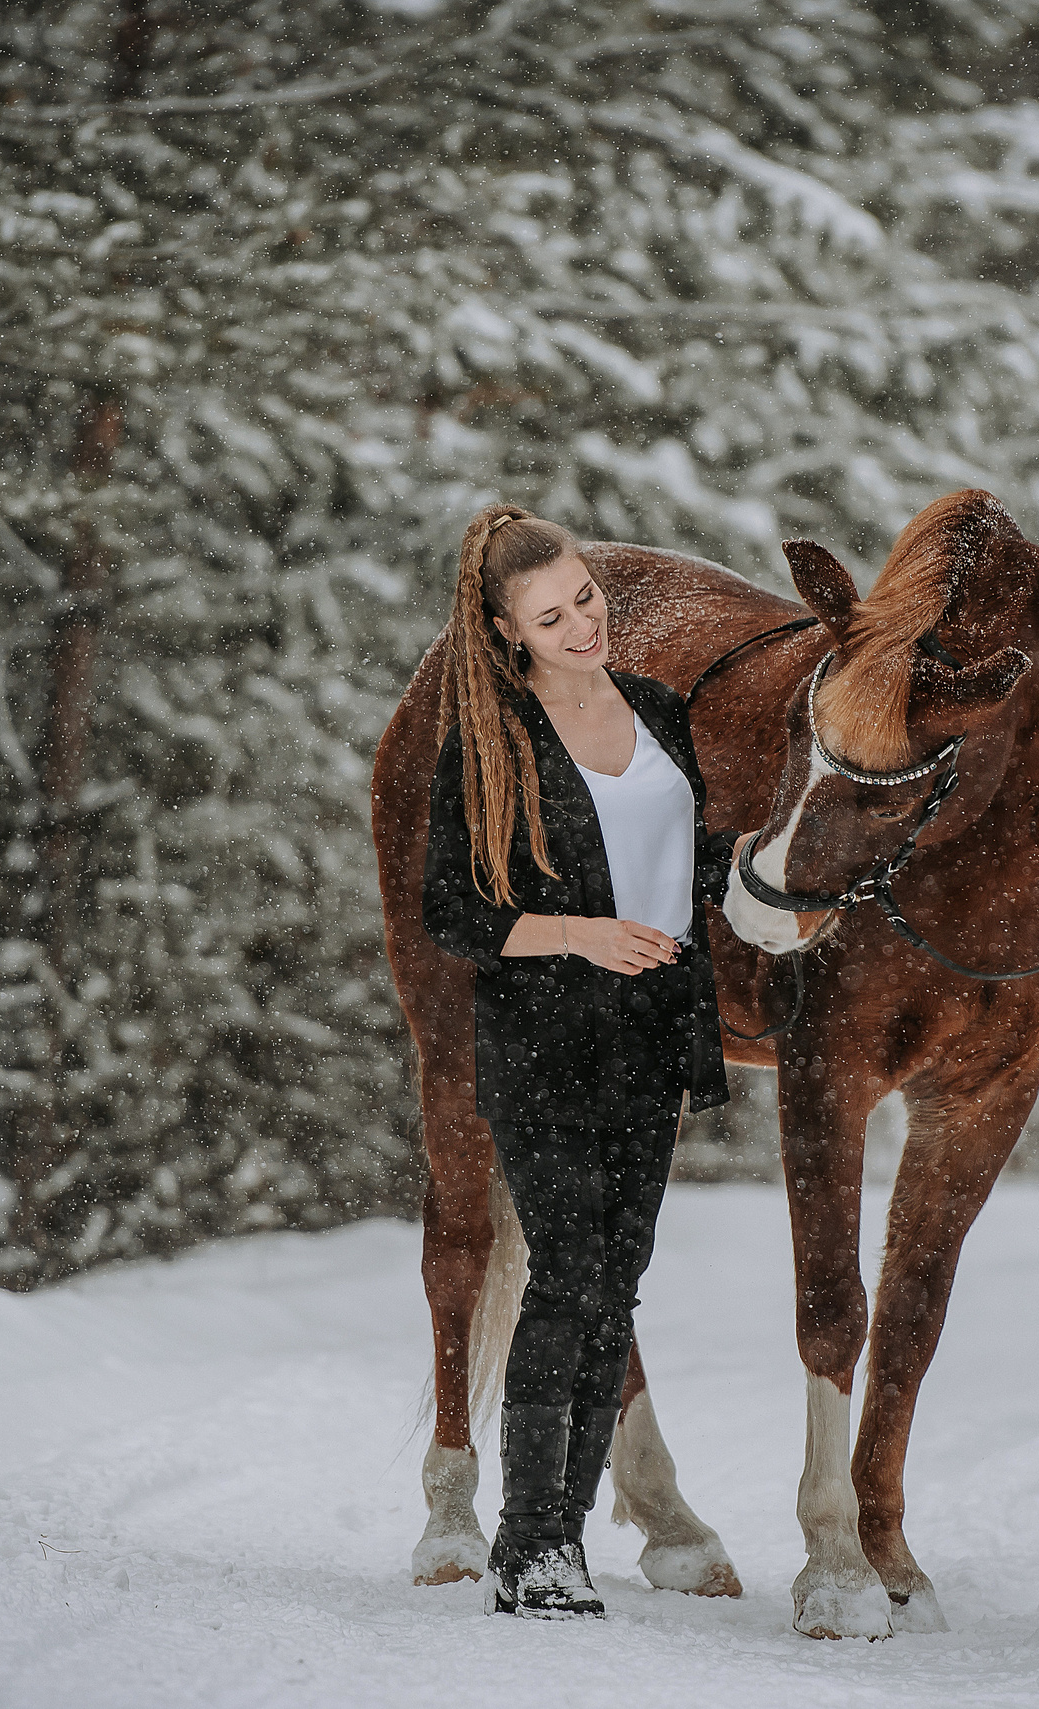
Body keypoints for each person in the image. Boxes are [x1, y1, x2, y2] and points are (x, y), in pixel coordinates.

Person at [420, 503, 737, 1619]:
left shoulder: (655, 708)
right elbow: (450, 911)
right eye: (550, 616)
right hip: (545, 1037)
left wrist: (767, 864)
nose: (580, 625)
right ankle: (531, 1542)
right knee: (564, 1274)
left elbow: (685, 854)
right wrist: (581, 933)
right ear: (508, 631)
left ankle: (569, 1537)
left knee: (616, 1286)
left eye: (586, 597)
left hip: (651, 1039)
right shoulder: (491, 738)